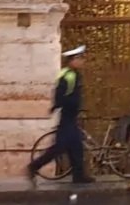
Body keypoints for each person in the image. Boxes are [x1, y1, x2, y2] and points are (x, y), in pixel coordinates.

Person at [27, 45, 92, 184]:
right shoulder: (68, 75)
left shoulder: (72, 74)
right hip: (67, 116)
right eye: (80, 58)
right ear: (72, 60)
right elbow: (61, 94)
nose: (82, 61)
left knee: (76, 147)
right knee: (59, 148)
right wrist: (59, 105)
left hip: (70, 116)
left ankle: (78, 176)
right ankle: (34, 166)